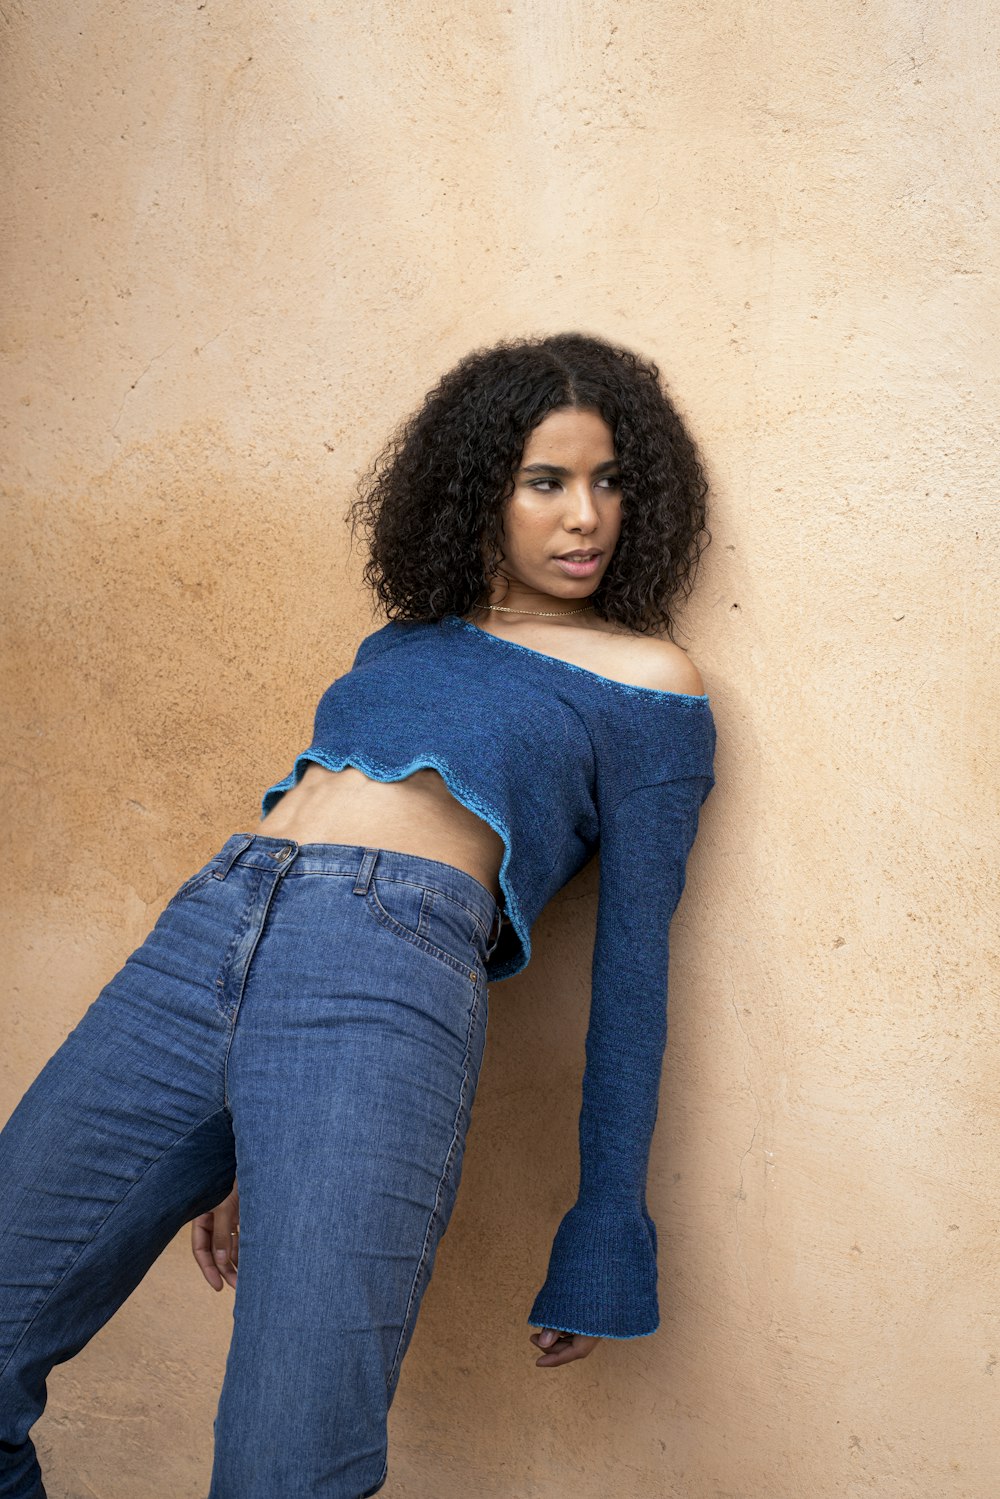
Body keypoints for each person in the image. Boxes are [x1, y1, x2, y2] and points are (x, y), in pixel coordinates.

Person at [0, 332, 717, 1498]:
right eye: (546, 480)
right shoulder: (398, 647)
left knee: (288, 1460)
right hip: (209, 927)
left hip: (382, 969)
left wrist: (603, 1235)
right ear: (476, 486)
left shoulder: (649, 684)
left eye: (610, 480)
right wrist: (242, 1139)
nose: (587, 516)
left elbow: (634, 973)